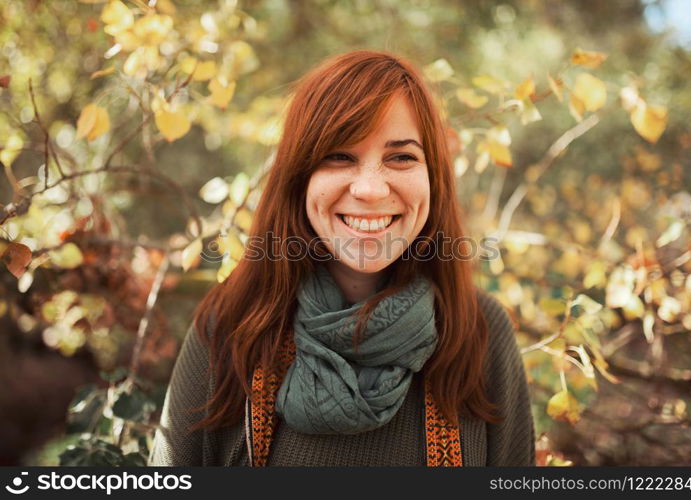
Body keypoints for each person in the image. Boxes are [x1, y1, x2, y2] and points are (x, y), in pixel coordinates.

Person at [148, 50, 535, 467]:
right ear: (299, 179)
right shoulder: (232, 326)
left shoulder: (479, 331)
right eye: (339, 156)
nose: (370, 189)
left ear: (433, 179)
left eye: (401, 157)